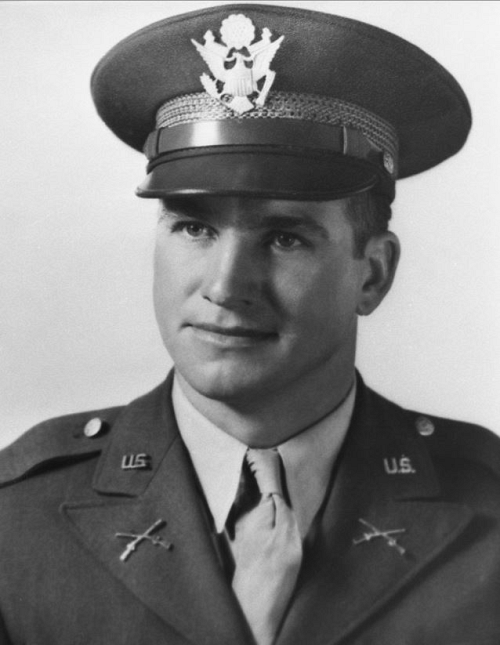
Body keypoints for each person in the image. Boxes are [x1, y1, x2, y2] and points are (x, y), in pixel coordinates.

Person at [0, 3, 498, 644]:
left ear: (372, 275)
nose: (226, 287)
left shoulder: (485, 514)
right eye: (194, 227)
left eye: (285, 238)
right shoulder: (19, 518)